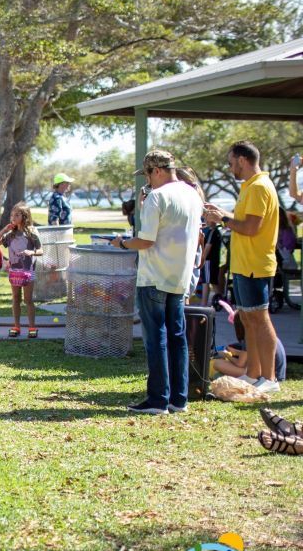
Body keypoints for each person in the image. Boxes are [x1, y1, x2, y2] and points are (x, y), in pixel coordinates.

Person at [112, 150, 203, 414]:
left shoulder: (157, 196)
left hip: (154, 276)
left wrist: (122, 243)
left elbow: (146, 240)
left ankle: (157, 399)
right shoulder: (192, 194)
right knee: (177, 337)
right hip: (179, 276)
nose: (147, 181)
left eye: (148, 175)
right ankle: (179, 398)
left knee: (155, 339)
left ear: (158, 171)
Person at [203, 141, 280, 393]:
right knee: (248, 319)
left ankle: (270, 378)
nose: (229, 167)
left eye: (230, 162)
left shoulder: (258, 187)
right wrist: (223, 214)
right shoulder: (251, 186)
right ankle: (254, 374)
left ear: (242, 160)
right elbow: (245, 221)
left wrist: (223, 219)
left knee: (260, 318)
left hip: (255, 265)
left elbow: (251, 228)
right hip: (244, 264)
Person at [0, 203, 43, 339]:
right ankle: (16, 326)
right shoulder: (10, 234)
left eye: (17, 215)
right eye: (12, 215)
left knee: (28, 300)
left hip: (28, 271)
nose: (13, 217)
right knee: (16, 298)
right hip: (15, 271)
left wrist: (31, 252)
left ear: (25, 216)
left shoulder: (32, 233)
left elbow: (41, 250)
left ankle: (32, 327)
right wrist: (4, 229)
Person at [199, 214, 224, 307]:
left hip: (208, 261)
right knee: (213, 282)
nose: (206, 220)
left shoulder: (212, 231)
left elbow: (208, 246)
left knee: (206, 281)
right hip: (214, 260)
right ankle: (221, 301)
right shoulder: (216, 231)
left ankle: (204, 303)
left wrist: (202, 258)